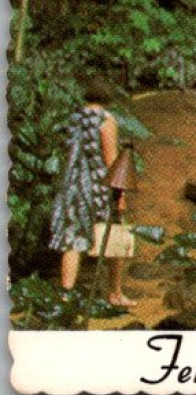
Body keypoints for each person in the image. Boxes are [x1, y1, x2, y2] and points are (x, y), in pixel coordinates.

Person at [52, 78, 134, 306]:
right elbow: (111, 162)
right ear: (107, 98)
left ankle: (65, 294)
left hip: (71, 186)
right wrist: (120, 195)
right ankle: (115, 293)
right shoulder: (106, 121)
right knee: (115, 232)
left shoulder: (74, 118)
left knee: (72, 240)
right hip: (98, 187)